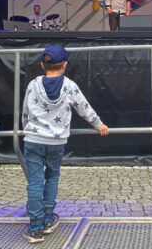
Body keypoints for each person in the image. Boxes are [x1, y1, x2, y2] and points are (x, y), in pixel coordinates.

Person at [21, 44, 109, 243]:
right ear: (65, 65)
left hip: (33, 140)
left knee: (35, 182)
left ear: (42, 65)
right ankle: (47, 219)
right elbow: (83, 107)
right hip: (56, 142)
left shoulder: (33, 84)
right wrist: (98, 124)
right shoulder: (69, 85)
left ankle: (34, 227)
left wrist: (26, 128)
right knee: (52, 177)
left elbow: (25, 111)